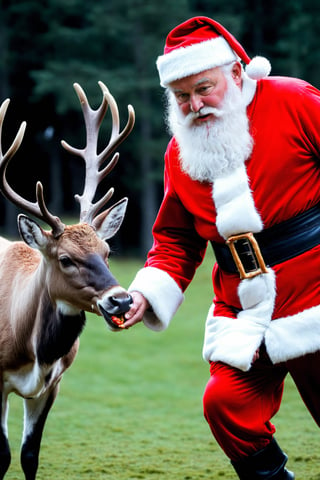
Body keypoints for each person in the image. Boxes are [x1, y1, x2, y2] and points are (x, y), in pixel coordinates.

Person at [123, 15, 320, 479]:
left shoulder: (292, 100)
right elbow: (174, 239)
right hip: (246, 308)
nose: (194, 105)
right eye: (181, 96)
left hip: (316, 295)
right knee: (226, 405)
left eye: (203, 88)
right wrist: (144, 294)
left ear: (235, 73)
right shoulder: (180, 152)